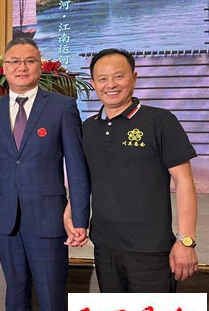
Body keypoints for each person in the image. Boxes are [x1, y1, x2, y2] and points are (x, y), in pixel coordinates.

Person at [0, 37, 90, 311]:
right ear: (4, 68)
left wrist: (80, 216)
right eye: (15, 61)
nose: (22, 67)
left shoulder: (61, 106)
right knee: (15, 297)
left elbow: (77, 166)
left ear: (40, 66)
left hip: (48, 219)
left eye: (29, 61)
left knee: (52, 299)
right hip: (7, 220)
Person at [83, 48, 198, 294]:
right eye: (102, 78)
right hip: (104, 246)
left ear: (134, 78)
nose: (111, 85)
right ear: (93, 84)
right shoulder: (87, 128)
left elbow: (184, 182)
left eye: (119, 76)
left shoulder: (161, 122)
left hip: (151, 250)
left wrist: (186, 240)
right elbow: (87, 180)